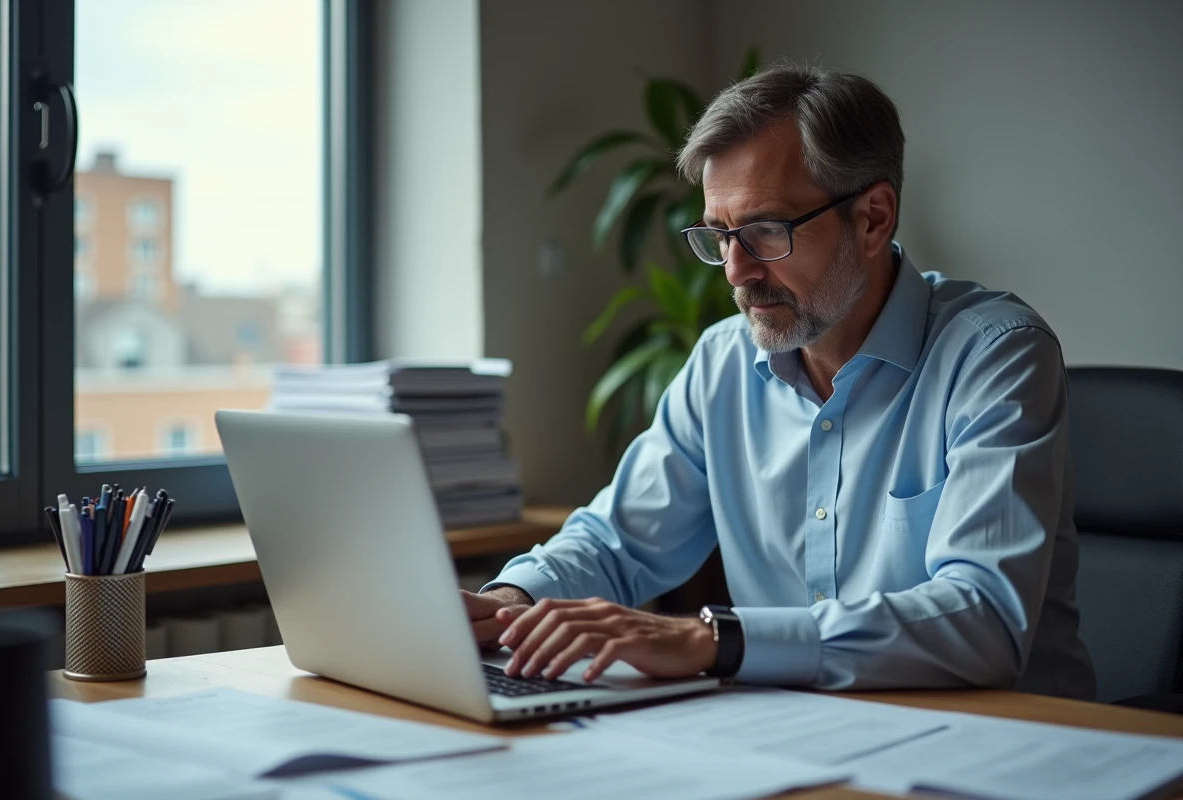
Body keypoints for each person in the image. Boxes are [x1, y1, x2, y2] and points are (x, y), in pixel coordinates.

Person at [462, 63, 1096, 699]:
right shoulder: (722, 363)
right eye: (719, 235)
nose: (736, 272)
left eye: (766, 231)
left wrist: (714, 640)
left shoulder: (995, 356)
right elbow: (617, 541)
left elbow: (982, 618)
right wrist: (512, 602)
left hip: (1002, 745)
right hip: (795, 734)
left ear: (874, 218)